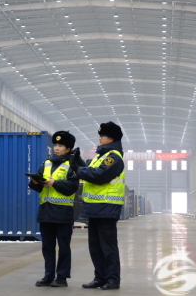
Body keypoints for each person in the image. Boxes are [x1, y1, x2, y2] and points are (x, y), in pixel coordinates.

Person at [69, 122, 125, 290]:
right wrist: (78, 160)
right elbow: (89, 168)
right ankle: (100, 277)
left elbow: (99, 175)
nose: (100, 138)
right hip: (95, 208)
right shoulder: (101, 156)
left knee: (107, 247)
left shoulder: (113, 157)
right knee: (95, 246)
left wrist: (76, 169)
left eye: (103, 136)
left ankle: (113, 279)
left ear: (111, 138)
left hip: (107, 207)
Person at [28, 131, 80, 288]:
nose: (56, 148)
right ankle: (48, 276)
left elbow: (72, 187)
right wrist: (35, 182)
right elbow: (38, 187)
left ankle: (62, 277)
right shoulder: (46, 164)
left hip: (63, 214)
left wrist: (54, 183)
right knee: (47, 247)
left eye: (61, 145)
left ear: (68, 149)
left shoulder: (72, 166)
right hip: (46, 212)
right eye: (55, 145)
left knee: (64, 247)